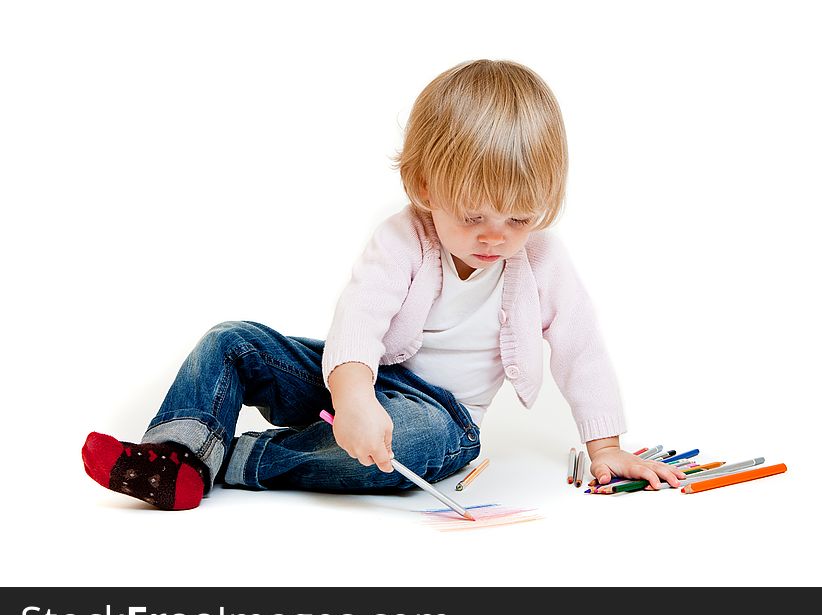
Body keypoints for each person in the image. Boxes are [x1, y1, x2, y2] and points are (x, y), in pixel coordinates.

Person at [82, 59, 685, 510]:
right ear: (425, 188)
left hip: (445, 418)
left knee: (411, 443)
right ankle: (173, 455)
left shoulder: (543, 261)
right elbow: (359, 322)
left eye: (519, 219)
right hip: (360, 374)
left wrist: (606, 448)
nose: (495, 236)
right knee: (231, 339)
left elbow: (582, 349)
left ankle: (236, 459)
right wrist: (353, 397)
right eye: (473, 216)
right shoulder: (404, 238)